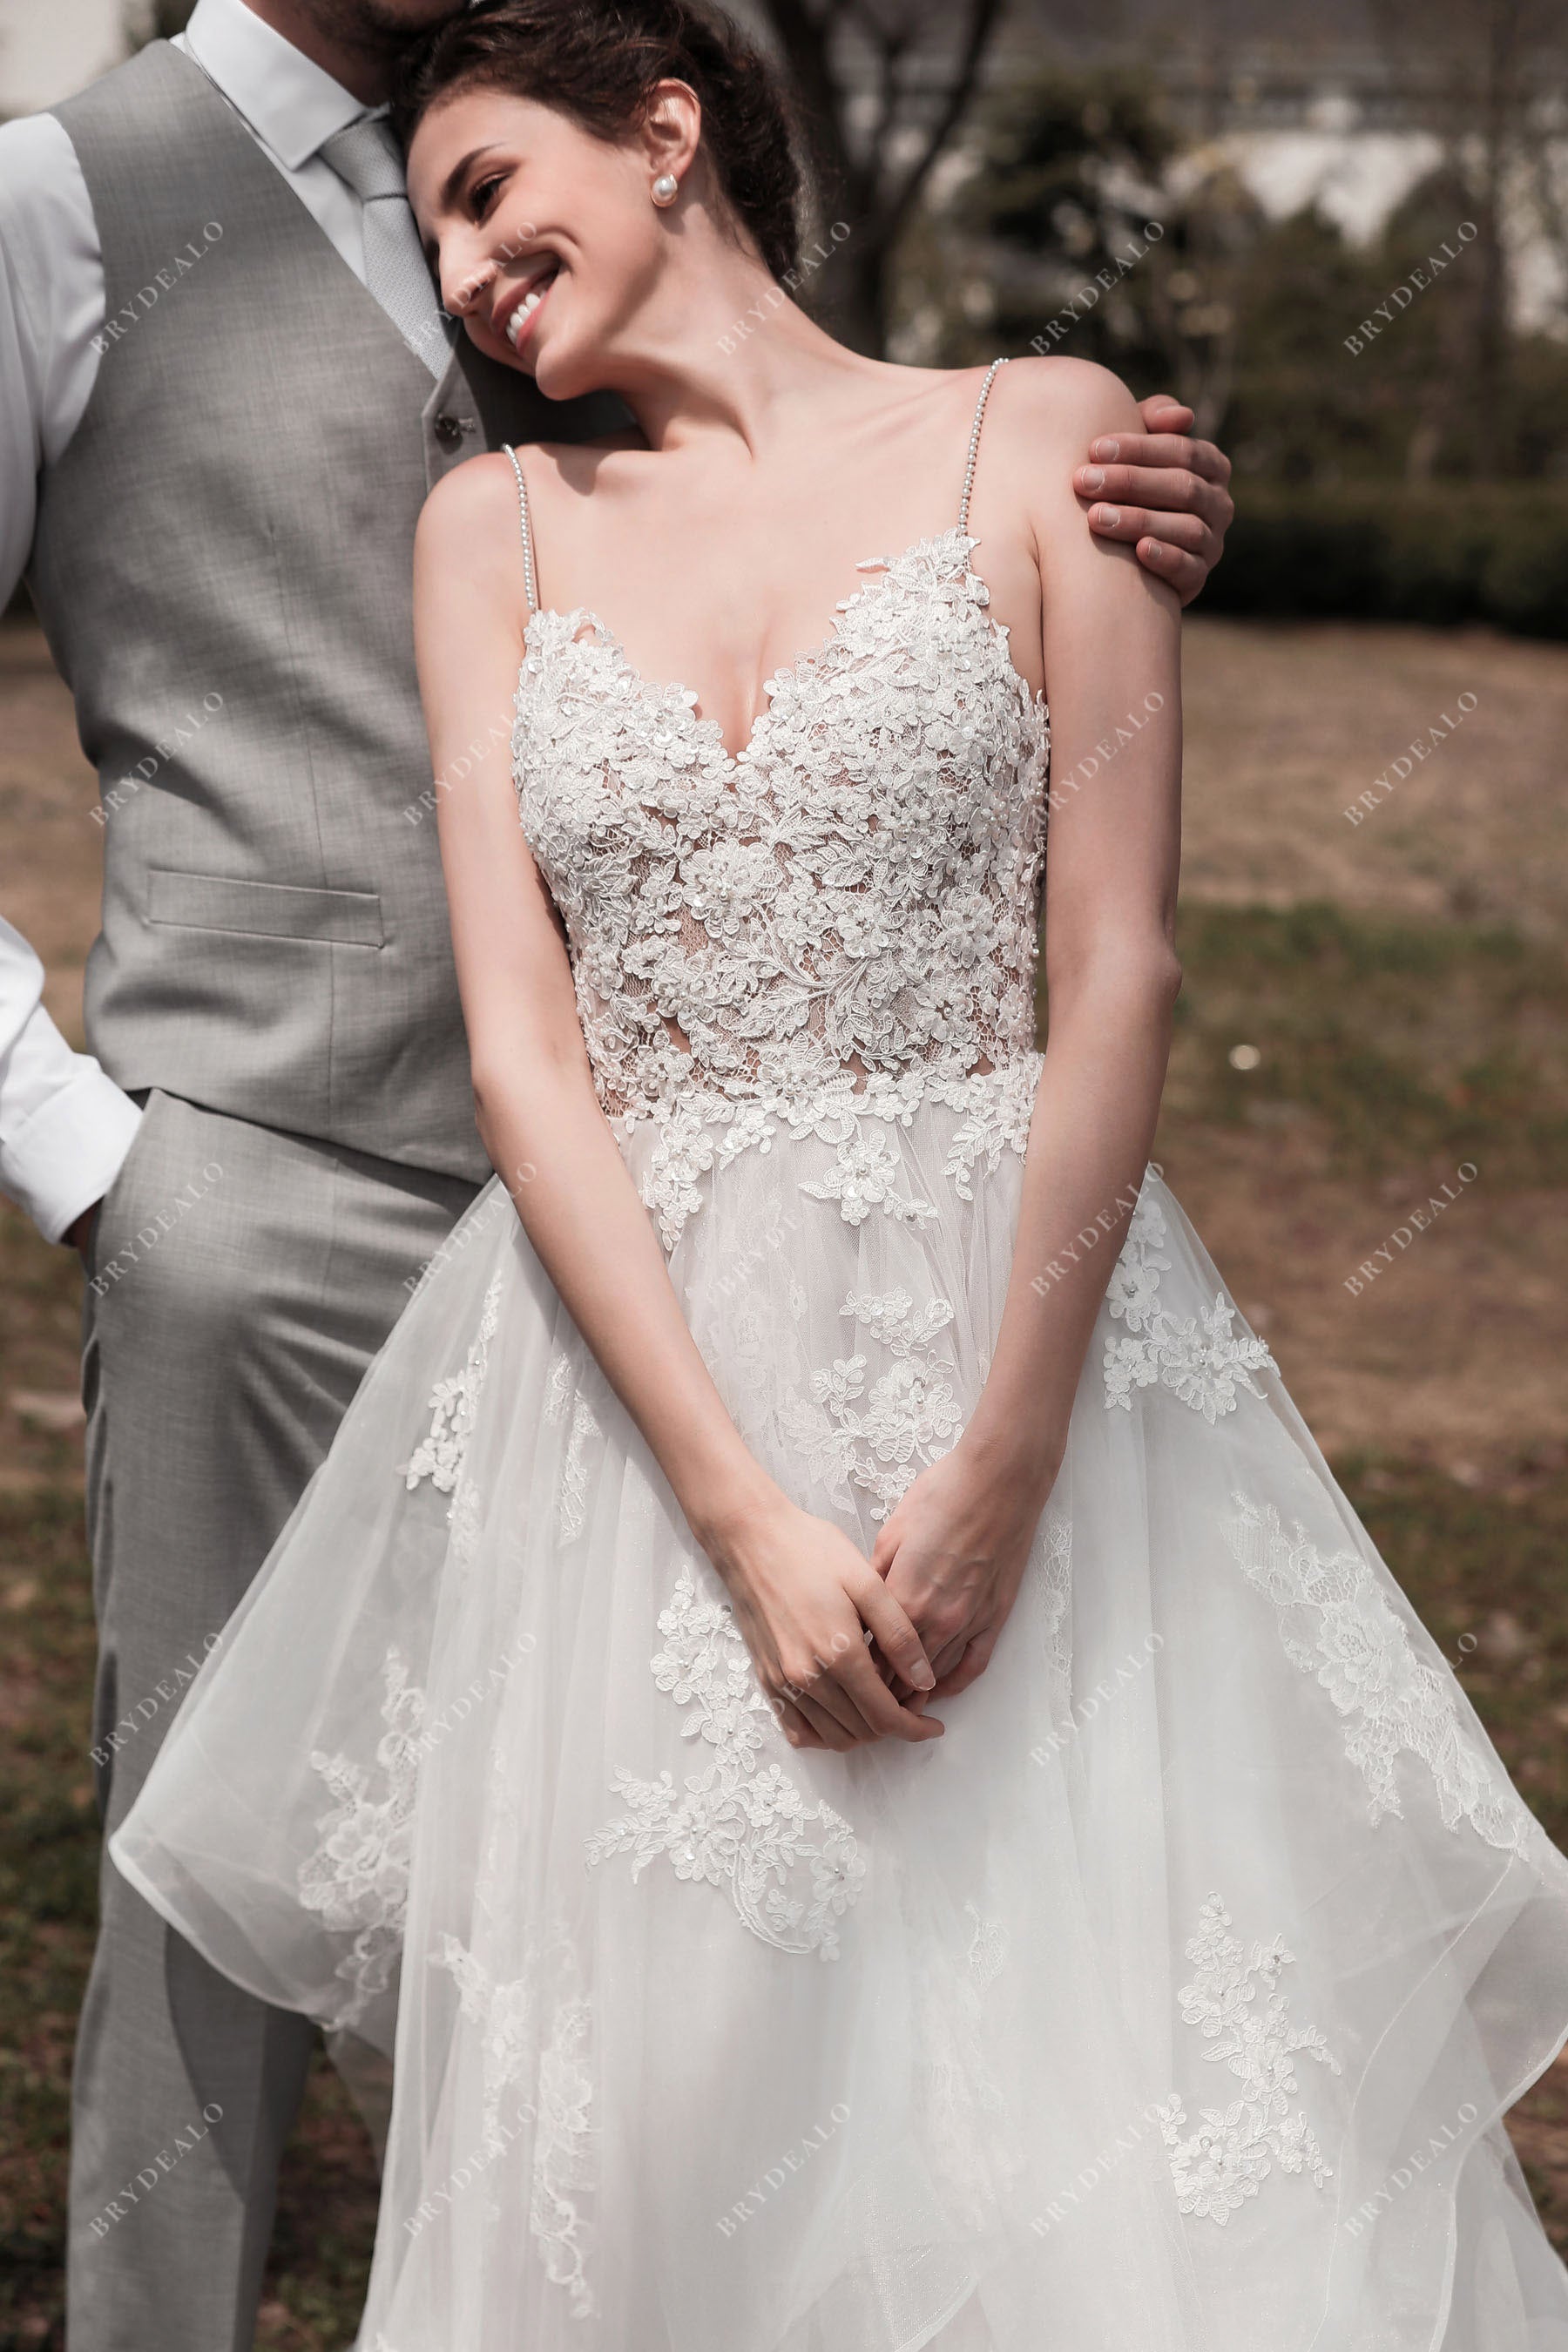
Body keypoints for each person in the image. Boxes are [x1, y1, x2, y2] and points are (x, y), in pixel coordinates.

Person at [112, 4, 1568, 2344]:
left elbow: (1120, 975)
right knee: (681, 2117)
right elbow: (527, 1058)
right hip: (643, 1426)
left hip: (1034, 1364)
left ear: (669, 131)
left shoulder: (1055, 438)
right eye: (437, 235)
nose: (472, 269)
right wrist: (745, 1516)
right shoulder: (491, 530)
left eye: (492, 190)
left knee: (1102, 2091)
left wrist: (1001, 1458)